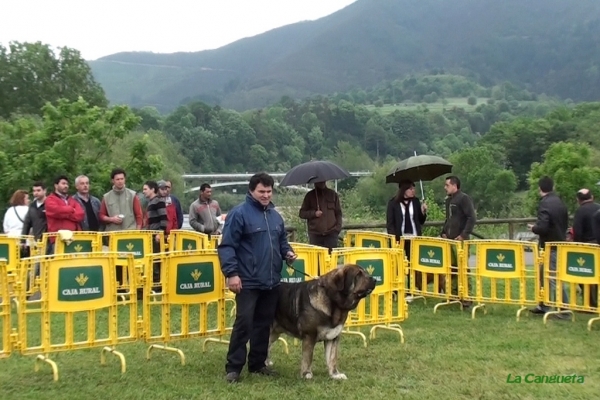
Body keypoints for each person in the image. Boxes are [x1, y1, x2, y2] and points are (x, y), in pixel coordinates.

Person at [218, 172, 296, 383]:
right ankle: (233, 368)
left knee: (264, 324)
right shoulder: (239, 214)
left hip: (271, 280)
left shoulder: (275, 216)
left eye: (269, 191)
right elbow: (227, 247)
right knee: (244, 323)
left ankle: (258, 364)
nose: (266, 195)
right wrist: (232, 274)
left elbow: (281, 243)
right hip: (247, 280)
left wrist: (287, 253)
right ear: (252, 190)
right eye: (261, 191)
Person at [528, 176, 569, 315]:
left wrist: (534, 228)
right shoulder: (560, 202)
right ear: (553, 187)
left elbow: (544, 227)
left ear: (540, 188)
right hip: (560, 243)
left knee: (552, 278)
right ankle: (543, 305)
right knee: (545, 276)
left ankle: (564, 309)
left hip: (549, 246)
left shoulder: (544, 204)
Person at [386, 180, 427, 302]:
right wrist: (394, 238)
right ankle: (396, 289)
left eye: (414, 189)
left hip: (414, 238)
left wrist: (423, 211)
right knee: (397, 265)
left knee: (412, 265)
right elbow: (390, 223)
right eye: (411, 189)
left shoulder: (415, 202)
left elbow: (420, 220)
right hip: (399, 238)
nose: (413, 191)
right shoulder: (393, 203)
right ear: (404, 190)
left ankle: (411, 289)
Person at [440, 176, 476, 307]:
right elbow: (448, 219)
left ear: (454, 185)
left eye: (447, 185)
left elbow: (471, 217)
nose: (445, 188)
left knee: (463, 268)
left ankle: (467, 296)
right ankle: (454, 294)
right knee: (452, 268)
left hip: (460, 239)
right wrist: (443, 231)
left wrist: (464, 234)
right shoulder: (449, 200)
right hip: (449, 239)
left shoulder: (464, 198)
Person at [572, 188, 600, 308]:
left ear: (578, 200)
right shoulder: (598, 207)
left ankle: (590, 303)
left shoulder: (580, 211)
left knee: (585, 274)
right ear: (592, 197)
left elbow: (577, 232)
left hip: (588, 246)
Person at [44, 175, 85, 254]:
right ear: (56, 185)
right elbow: (57, 211)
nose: (66, 186)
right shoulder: (50, 199)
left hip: (74, 237)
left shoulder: (72, 200)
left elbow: (80, 214)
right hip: (58, 239)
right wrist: (71, 209)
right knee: (59, 264)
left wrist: (65, 214)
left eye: (67, 184)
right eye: (63, 183)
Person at [298, 181, 343, 252]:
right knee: (316, 260)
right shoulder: (309, 196)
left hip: (331, 234)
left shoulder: (333, 195)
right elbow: (302, 213)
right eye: (319, 181)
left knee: (331, 260)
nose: (321, 183)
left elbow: (338, 213)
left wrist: (338, 228)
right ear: (315, 182)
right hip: (315, 235)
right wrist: (314, 213)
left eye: (323, 181)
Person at [143, 180, 168, 293]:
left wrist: (160, 232)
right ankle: (155, 282)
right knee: (153, 258)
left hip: (156, 234)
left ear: (153, 189)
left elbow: (164, 218)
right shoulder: (151, 202)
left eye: (145, 189)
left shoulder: (158, 201)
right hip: (151, 233)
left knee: (157, 259)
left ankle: (159, 284)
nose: (143, 191)